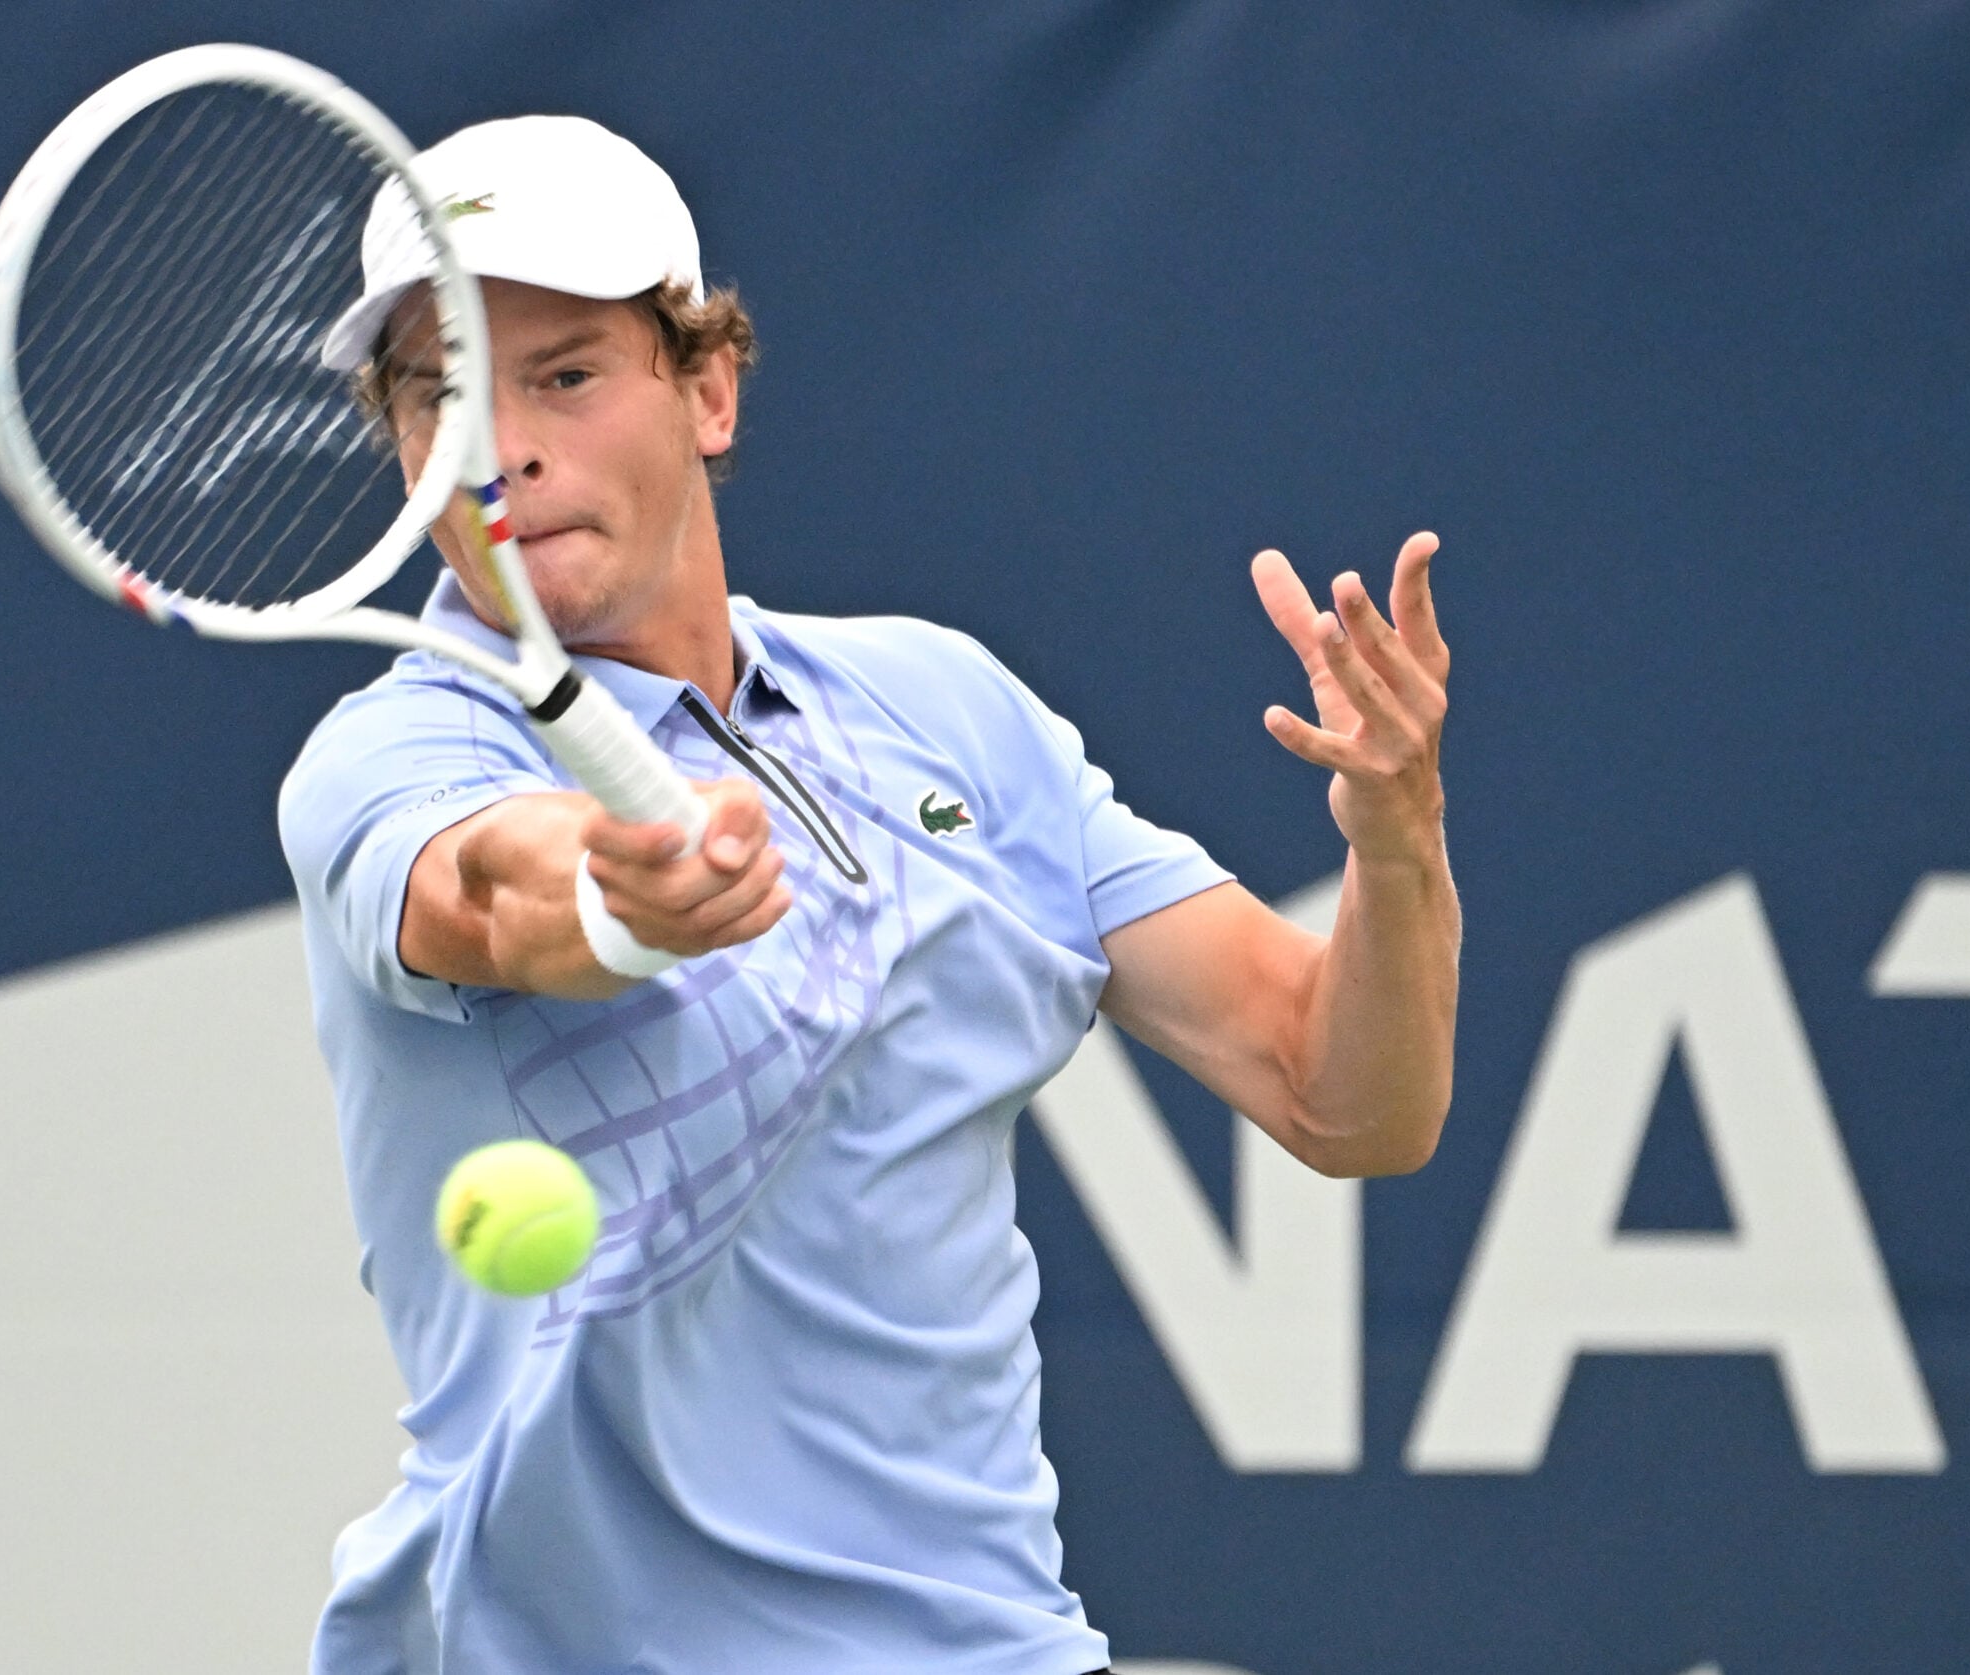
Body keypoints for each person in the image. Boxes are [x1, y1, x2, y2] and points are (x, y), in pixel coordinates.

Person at [279, 113, 1458, 1675]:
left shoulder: (947, 709)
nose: (503, 449)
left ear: (708, 389)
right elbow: (490, 894)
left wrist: (1398, 836)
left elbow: (1346, 1100)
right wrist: (626, 907)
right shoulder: (397, 754)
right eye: (443, 393)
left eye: (563, 376)